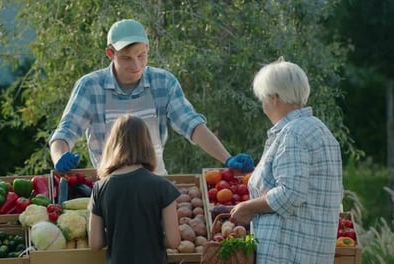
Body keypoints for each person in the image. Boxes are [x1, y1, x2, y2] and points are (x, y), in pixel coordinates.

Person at [49, 18, 254, 175]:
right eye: (126, 58)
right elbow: (66, 132)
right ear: (110, 54)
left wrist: (227, 159)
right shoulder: (90, 86)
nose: (136, 65)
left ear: (148, 48)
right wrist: (60, 157)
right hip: (110, 188)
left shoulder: (163, 82)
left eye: (141, 55)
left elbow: (192, 125)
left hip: (156, 182)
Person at [229, 57, 343, 263]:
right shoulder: (319, 131)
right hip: (312, 251)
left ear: (274, 98)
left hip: (288, 253)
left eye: (262, 97)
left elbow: (290, 193)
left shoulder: (293, 134)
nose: (262, 104)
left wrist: (249, 207)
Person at [88, 114, 181, 264]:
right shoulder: (163, 187)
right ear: (147, 145)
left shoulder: (100, 188)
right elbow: (174, 241)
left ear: (112, 144)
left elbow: (95, 243)